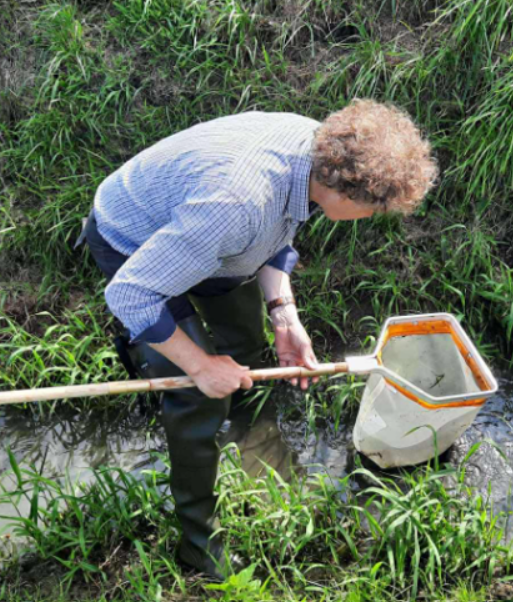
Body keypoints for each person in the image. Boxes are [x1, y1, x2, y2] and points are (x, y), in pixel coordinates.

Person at [79, 99, 437, 580]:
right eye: (373, 209)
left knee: (246, 345)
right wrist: (202, 367)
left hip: (207, 233)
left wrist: (283, 315)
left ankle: (249, 435)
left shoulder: (318, 155)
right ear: (345, 193)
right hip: (136, 239)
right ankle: (198, 543)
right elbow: (130, 295)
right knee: (193, 393)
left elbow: (276, 232)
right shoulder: (238, 207)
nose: (372, 217)